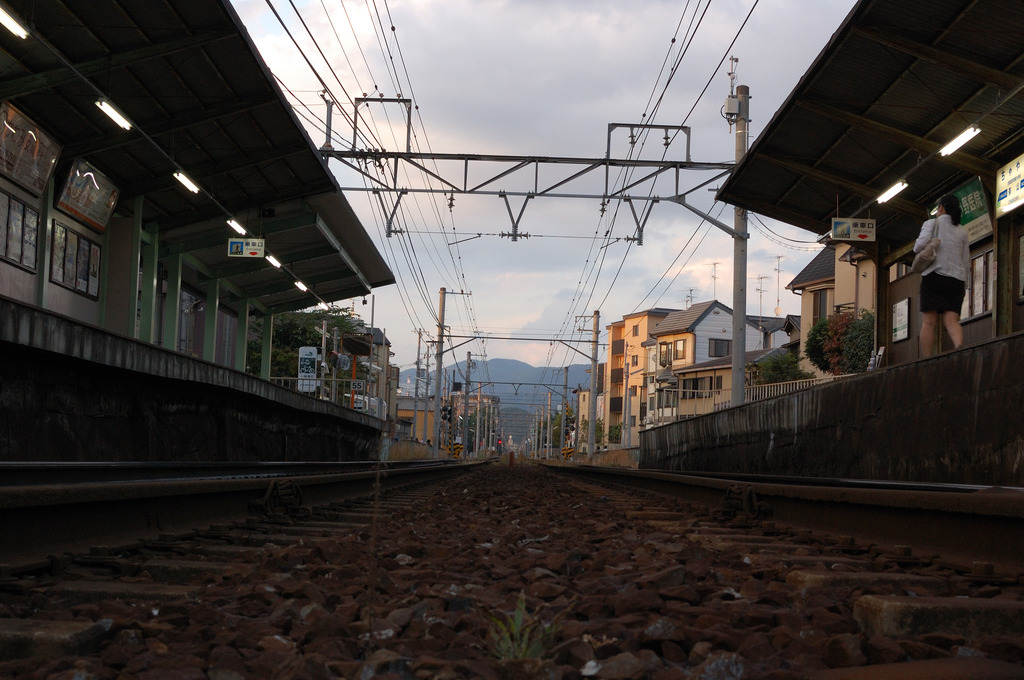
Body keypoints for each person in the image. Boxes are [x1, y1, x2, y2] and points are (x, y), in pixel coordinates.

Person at [914, 194, 970, 357]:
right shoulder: (962, 232)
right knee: (952, 321)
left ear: (942, 207)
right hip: (956, 280)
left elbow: (918, 247)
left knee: (929, 322)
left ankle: (926, 358)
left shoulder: (932, 224)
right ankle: (959, 347)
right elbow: (965, 259)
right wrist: (964, 284)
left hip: (934, 277)